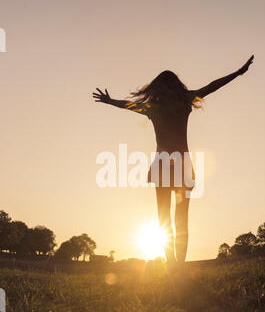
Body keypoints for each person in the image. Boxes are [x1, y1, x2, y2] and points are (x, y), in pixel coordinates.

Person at [93, 55, 254, 266]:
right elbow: (212, 86)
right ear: (177, 86)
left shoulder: (152, 108)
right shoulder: (185, 100)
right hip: (183, 166)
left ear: (156, 88)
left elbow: (128, 105)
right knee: (181, 220)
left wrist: (110, 101)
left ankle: (172, 265)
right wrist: (238, 73)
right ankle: (179, 265)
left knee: (163, 219)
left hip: (161, 166)